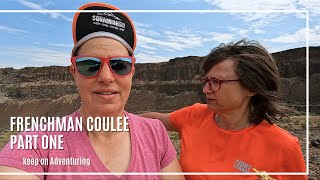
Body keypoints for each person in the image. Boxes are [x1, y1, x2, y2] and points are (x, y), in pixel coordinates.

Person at [0, 2, 184, 180]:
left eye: (119, 65)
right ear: (73, 72)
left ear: (132, 73)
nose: (106, 77)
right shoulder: (35, 144)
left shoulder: (155, 134)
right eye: (89, 65)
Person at [141, 39, 307, 180]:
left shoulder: (284, 147)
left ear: (251, 87)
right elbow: (152, 121)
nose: (206, 89)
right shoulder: (194, 115)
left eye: (216, 82)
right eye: (206, 81)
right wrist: (116, 120)